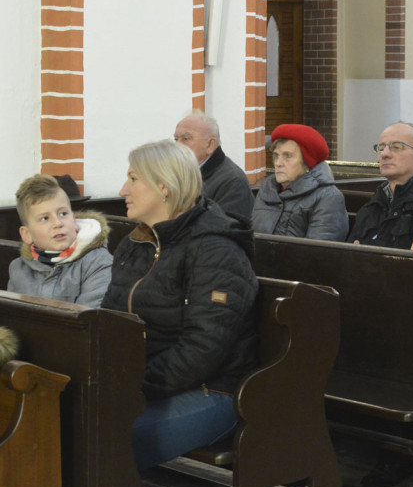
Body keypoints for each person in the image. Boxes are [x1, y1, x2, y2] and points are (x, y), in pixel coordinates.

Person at [102, 140, 258, 470]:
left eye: (133, 179)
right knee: (63, 420)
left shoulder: (215, 249)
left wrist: (132, 386)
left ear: (163, 186)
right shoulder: (137, 242)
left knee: (103, 438)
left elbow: (203, 348)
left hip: (215, 392)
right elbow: (110, 320)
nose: (122, 189)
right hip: (148, 383)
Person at [7, 174, 112, 308]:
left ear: (73, 220)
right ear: (27, 234)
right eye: (45, 218)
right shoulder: (18, 268)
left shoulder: (98, 263)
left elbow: (89, 321)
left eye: (63, 214)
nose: (57, 223)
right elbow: (12, 318)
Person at [252, 124, 348, 241]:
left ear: (307, 163)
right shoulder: (268, 189)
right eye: (276, 156)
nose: (278, 163)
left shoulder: (328, 198)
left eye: (288, 156)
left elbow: (319, 254)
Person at [174, 110, 254, 222]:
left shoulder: (233, 182)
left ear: (210, 145)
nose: (178, 145)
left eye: (186, 138)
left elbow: (225, 232)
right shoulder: (179, 173)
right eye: (176, 139)